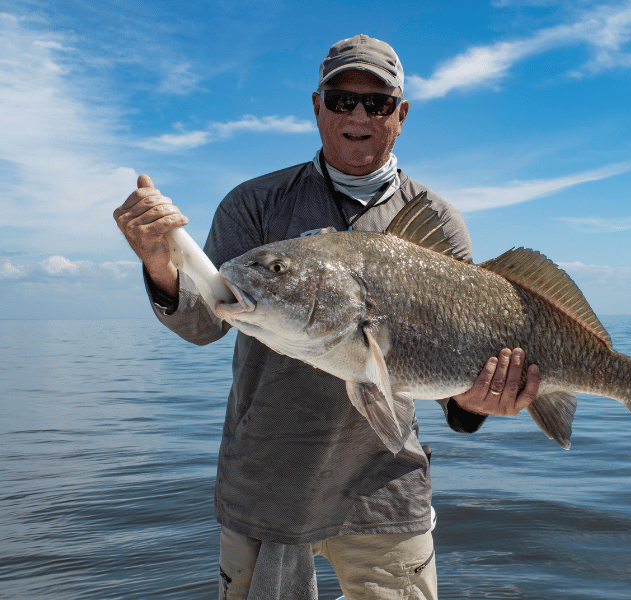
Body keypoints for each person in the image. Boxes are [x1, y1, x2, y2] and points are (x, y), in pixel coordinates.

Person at [114, 34, 540, 600]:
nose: (358, 115)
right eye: (341, 100)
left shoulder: (437, 220)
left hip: (386, 492)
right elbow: (204, 322)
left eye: (377, 102)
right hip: (266, 484)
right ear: (317, 107)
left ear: (401, 114)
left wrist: (475, 403)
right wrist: (161, 264)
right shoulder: (255, 203)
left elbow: (448, 375)